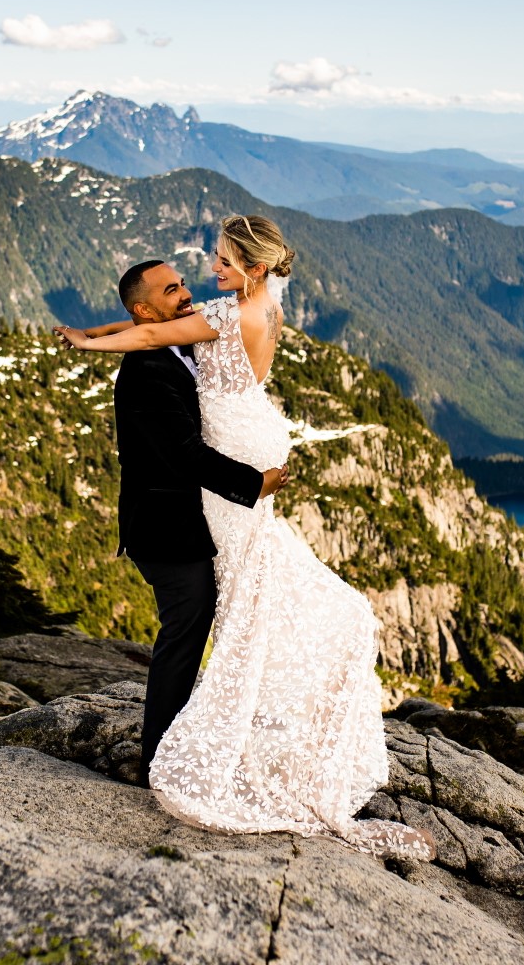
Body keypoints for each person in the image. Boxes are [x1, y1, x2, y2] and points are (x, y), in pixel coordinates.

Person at [55, 215, 434, 860]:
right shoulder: (172, 353)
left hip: (236, 464)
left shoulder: (223, 318)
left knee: (234, 602)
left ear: (254, 267)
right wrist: (88, 337)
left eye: (220, 263)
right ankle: (183, 746)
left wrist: (91, 341)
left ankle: (202, 743)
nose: (201, 280)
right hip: (203, 491)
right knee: (218, 609)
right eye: (177, 285)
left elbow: (151, 330)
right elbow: (155, 363)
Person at [60, 258, 289, 788]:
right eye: (172, 289)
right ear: (146, 309)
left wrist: (92, 331)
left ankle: (176, 744)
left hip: (190, 517)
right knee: (187, 625)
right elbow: (186, 455)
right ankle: (158, 760)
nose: (186, 292)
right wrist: (256, 484)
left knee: (200, 621)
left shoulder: (174, 340)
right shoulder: (146, 375)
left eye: (184, 282)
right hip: (163, 525)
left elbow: (139, 331)